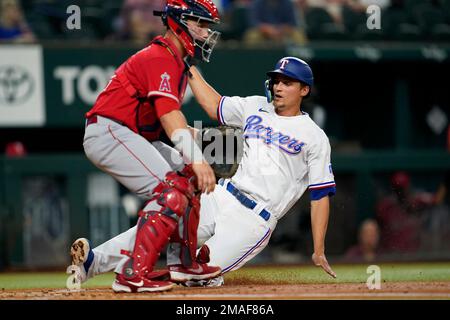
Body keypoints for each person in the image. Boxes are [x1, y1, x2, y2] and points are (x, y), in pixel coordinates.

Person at [70, 56, 337, 288]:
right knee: (164, 220)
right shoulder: (256, 106)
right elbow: (214, 105)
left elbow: (320, 195)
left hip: (254, 218)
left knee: (199, 276)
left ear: (304, 89)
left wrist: (318, 249)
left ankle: (147, 277)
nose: (278, 86)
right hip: (221, 195)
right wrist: (188, 66)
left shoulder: (314, 137)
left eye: (287, 82)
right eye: (276, 80)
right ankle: (93, 261)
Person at [70, 0, 222, 293]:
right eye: (200, 24)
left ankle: (183, 264)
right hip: (109, 131)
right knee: (171, 192)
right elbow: (168, 116)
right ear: (179, 22)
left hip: (129, 134)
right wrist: (198, 158)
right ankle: (130, 272)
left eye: (207, 26)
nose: (205, 32)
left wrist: (197, 147)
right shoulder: (160, 56)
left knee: (188, 180)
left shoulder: (174, 62)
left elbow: (165, 119)